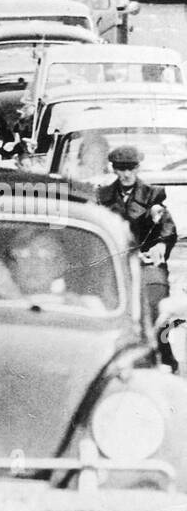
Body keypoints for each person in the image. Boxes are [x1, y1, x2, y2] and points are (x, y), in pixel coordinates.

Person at [97, 144, 178, 370]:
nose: (126, 174)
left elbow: (167, 227)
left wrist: (161, 244)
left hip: (146, 263)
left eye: (130, 168)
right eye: (120, 169)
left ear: (138, 168)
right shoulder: (102, 197)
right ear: (113, 169)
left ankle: (163, 353)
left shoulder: (153, 195)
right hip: (113, 264)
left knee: (156, 305)